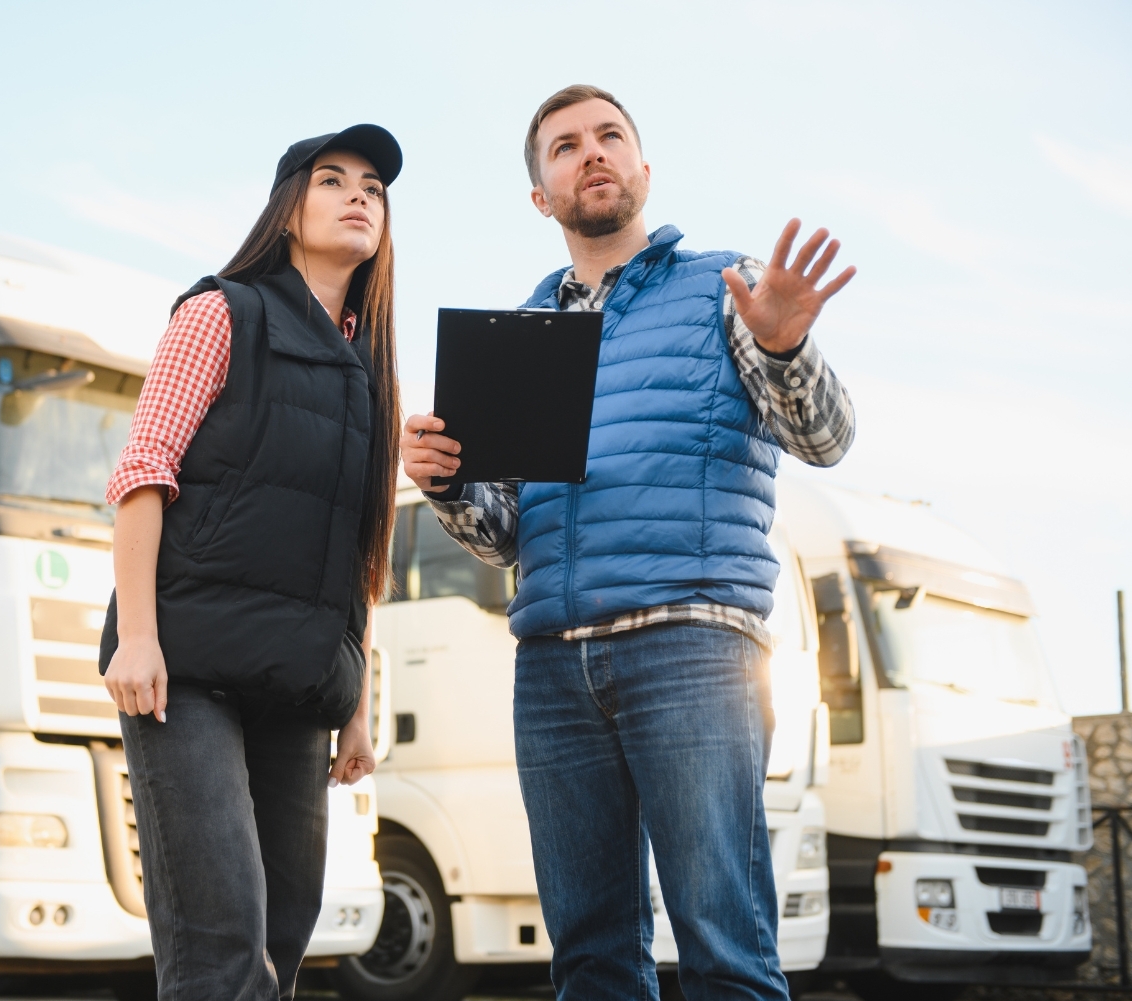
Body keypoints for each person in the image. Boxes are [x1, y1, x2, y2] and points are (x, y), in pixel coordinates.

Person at [402, 85, 857, 1000]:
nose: (592, 153)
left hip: (692, 647)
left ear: (644, 168)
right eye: (565, 147)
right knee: (592, 959)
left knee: (726, 947)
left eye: (611, 136)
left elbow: (827, 439)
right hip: (554, 666)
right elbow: (501, 537)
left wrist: (784, 348)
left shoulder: (728, 287)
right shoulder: (519, 331)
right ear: (542, 195)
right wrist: (447, 481)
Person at [99, 124, 403, 1001]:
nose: (358, 196)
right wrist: (139, 638)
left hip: (300, 684)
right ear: (288, 209)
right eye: (333, 181)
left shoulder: (370, 374)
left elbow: (362, 551)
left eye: (374, 189)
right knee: (221, 950)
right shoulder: (220, 312)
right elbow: (143, 471)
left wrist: (355, 707)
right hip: (183, 670)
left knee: (284, 936)